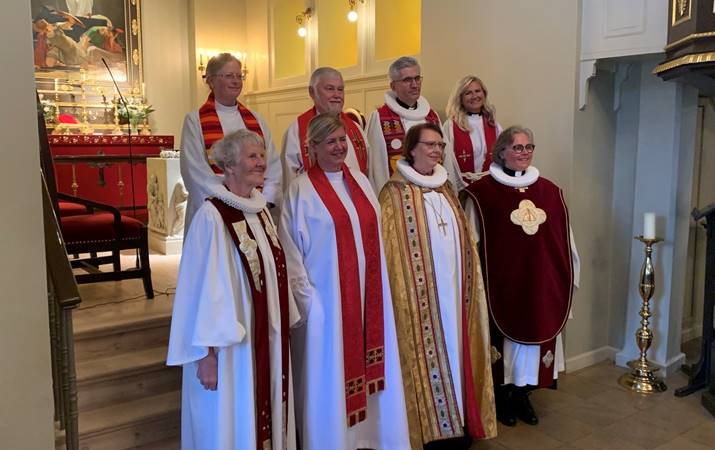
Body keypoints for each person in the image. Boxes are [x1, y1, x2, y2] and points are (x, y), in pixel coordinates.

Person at [280, 113, 410, 450]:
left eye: (343, 140)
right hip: (328, 303)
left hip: (370, 299)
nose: (339, 147)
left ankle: (376, 437)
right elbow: (291, 251)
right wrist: (308, 301)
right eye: (331, 141)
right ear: (314, 147)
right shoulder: (300, 190)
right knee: (330, 373)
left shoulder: (362, 182)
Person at [167, 129, 300, 450]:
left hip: (264, 342)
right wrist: (206, 356)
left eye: (262, 155)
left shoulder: (260, 211)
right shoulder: (212, 217)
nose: (261, 162)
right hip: (231, 352)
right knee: (230, 423)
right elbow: (199, 291)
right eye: (252, 156)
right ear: (228, 166)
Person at [379, 123, 497, 449]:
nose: (437, 151)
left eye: (440, 145)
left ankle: (459, 420)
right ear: (411, 148)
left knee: (459, 353)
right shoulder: (394, 193)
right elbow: (390, 253)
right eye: (430, 144)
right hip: (420, 301)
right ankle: (430, 429)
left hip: (455, 295)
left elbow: (464, 241)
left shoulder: (445, 188)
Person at [462, 126, 580, 427]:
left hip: (539, 283)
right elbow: (471, 244)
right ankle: (501, 398)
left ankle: (523, 395)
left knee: (532, 349)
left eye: (529, 147)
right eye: (517, 147)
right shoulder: (482, 194)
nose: (524, 153)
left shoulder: (551, 192)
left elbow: (565, 242)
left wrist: (566, 276)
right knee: (504, 348)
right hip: (503, 285)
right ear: (501, 151)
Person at [180, 53, 282, 234]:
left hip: (255, 207)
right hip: (216, 211)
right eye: (228, 76)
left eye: (239, 76)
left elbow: (272, 163)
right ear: (211, 81)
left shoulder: (256, 120)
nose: (236, 81)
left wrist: (264, 200)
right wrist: (229, 202)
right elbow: (195, 171)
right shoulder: (195, 120)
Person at [281, 67, 369, 190]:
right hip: (314, 204)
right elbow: (289, 181)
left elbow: (367, 173)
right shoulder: (296, 131)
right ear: (312, 92)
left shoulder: (356, 129)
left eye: (340, 89)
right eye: (330, 89)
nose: (337, 95)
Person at [366, 56, 442, 194]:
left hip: (433, 192)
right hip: (400, 194)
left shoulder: (432, 117)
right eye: (407, 80)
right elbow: (377, 167)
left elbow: (444, 158)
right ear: (393, 86)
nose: (415, 84)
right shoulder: (380, 118)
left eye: (417, 78)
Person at [442, 75, 502, 191]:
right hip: (462, 187)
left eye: (477, 91)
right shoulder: (450, 126)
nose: (474, 96)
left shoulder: (494, 125)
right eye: (468, 93)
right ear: (460, 98)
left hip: (491, 185)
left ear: (484, 94)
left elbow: (503, 157)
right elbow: (446, 161)